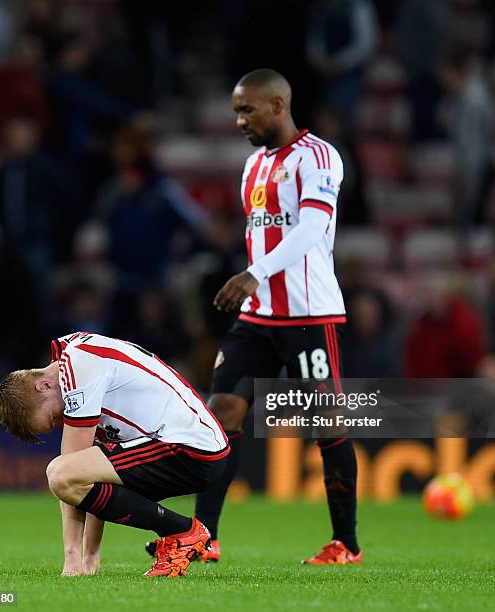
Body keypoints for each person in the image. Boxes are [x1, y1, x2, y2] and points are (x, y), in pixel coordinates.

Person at [152, 68, 361, 565]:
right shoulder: (252, 167)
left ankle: (346, 544)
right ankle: (204, 537)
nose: (240, 120)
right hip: (259, 315)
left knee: (326, 424)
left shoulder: (319, 156)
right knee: (219, 414)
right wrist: (253, 283)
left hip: (308, 313)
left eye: (247, 109)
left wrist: (254, 273)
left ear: (277, 106)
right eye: (235, 111)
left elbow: (313, 228)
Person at [0, 331, 230, 577]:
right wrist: (90, 558)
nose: (63, 422)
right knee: (68, 473)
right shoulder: (76, 357)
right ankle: (179, 535)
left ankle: (183, 532)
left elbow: (72, 472)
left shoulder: (79, 367)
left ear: (44, 385)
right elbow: (92, 475)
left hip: (189, 446)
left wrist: (72, 559)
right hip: (195, 448)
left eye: (54, 418)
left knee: (59, 472)